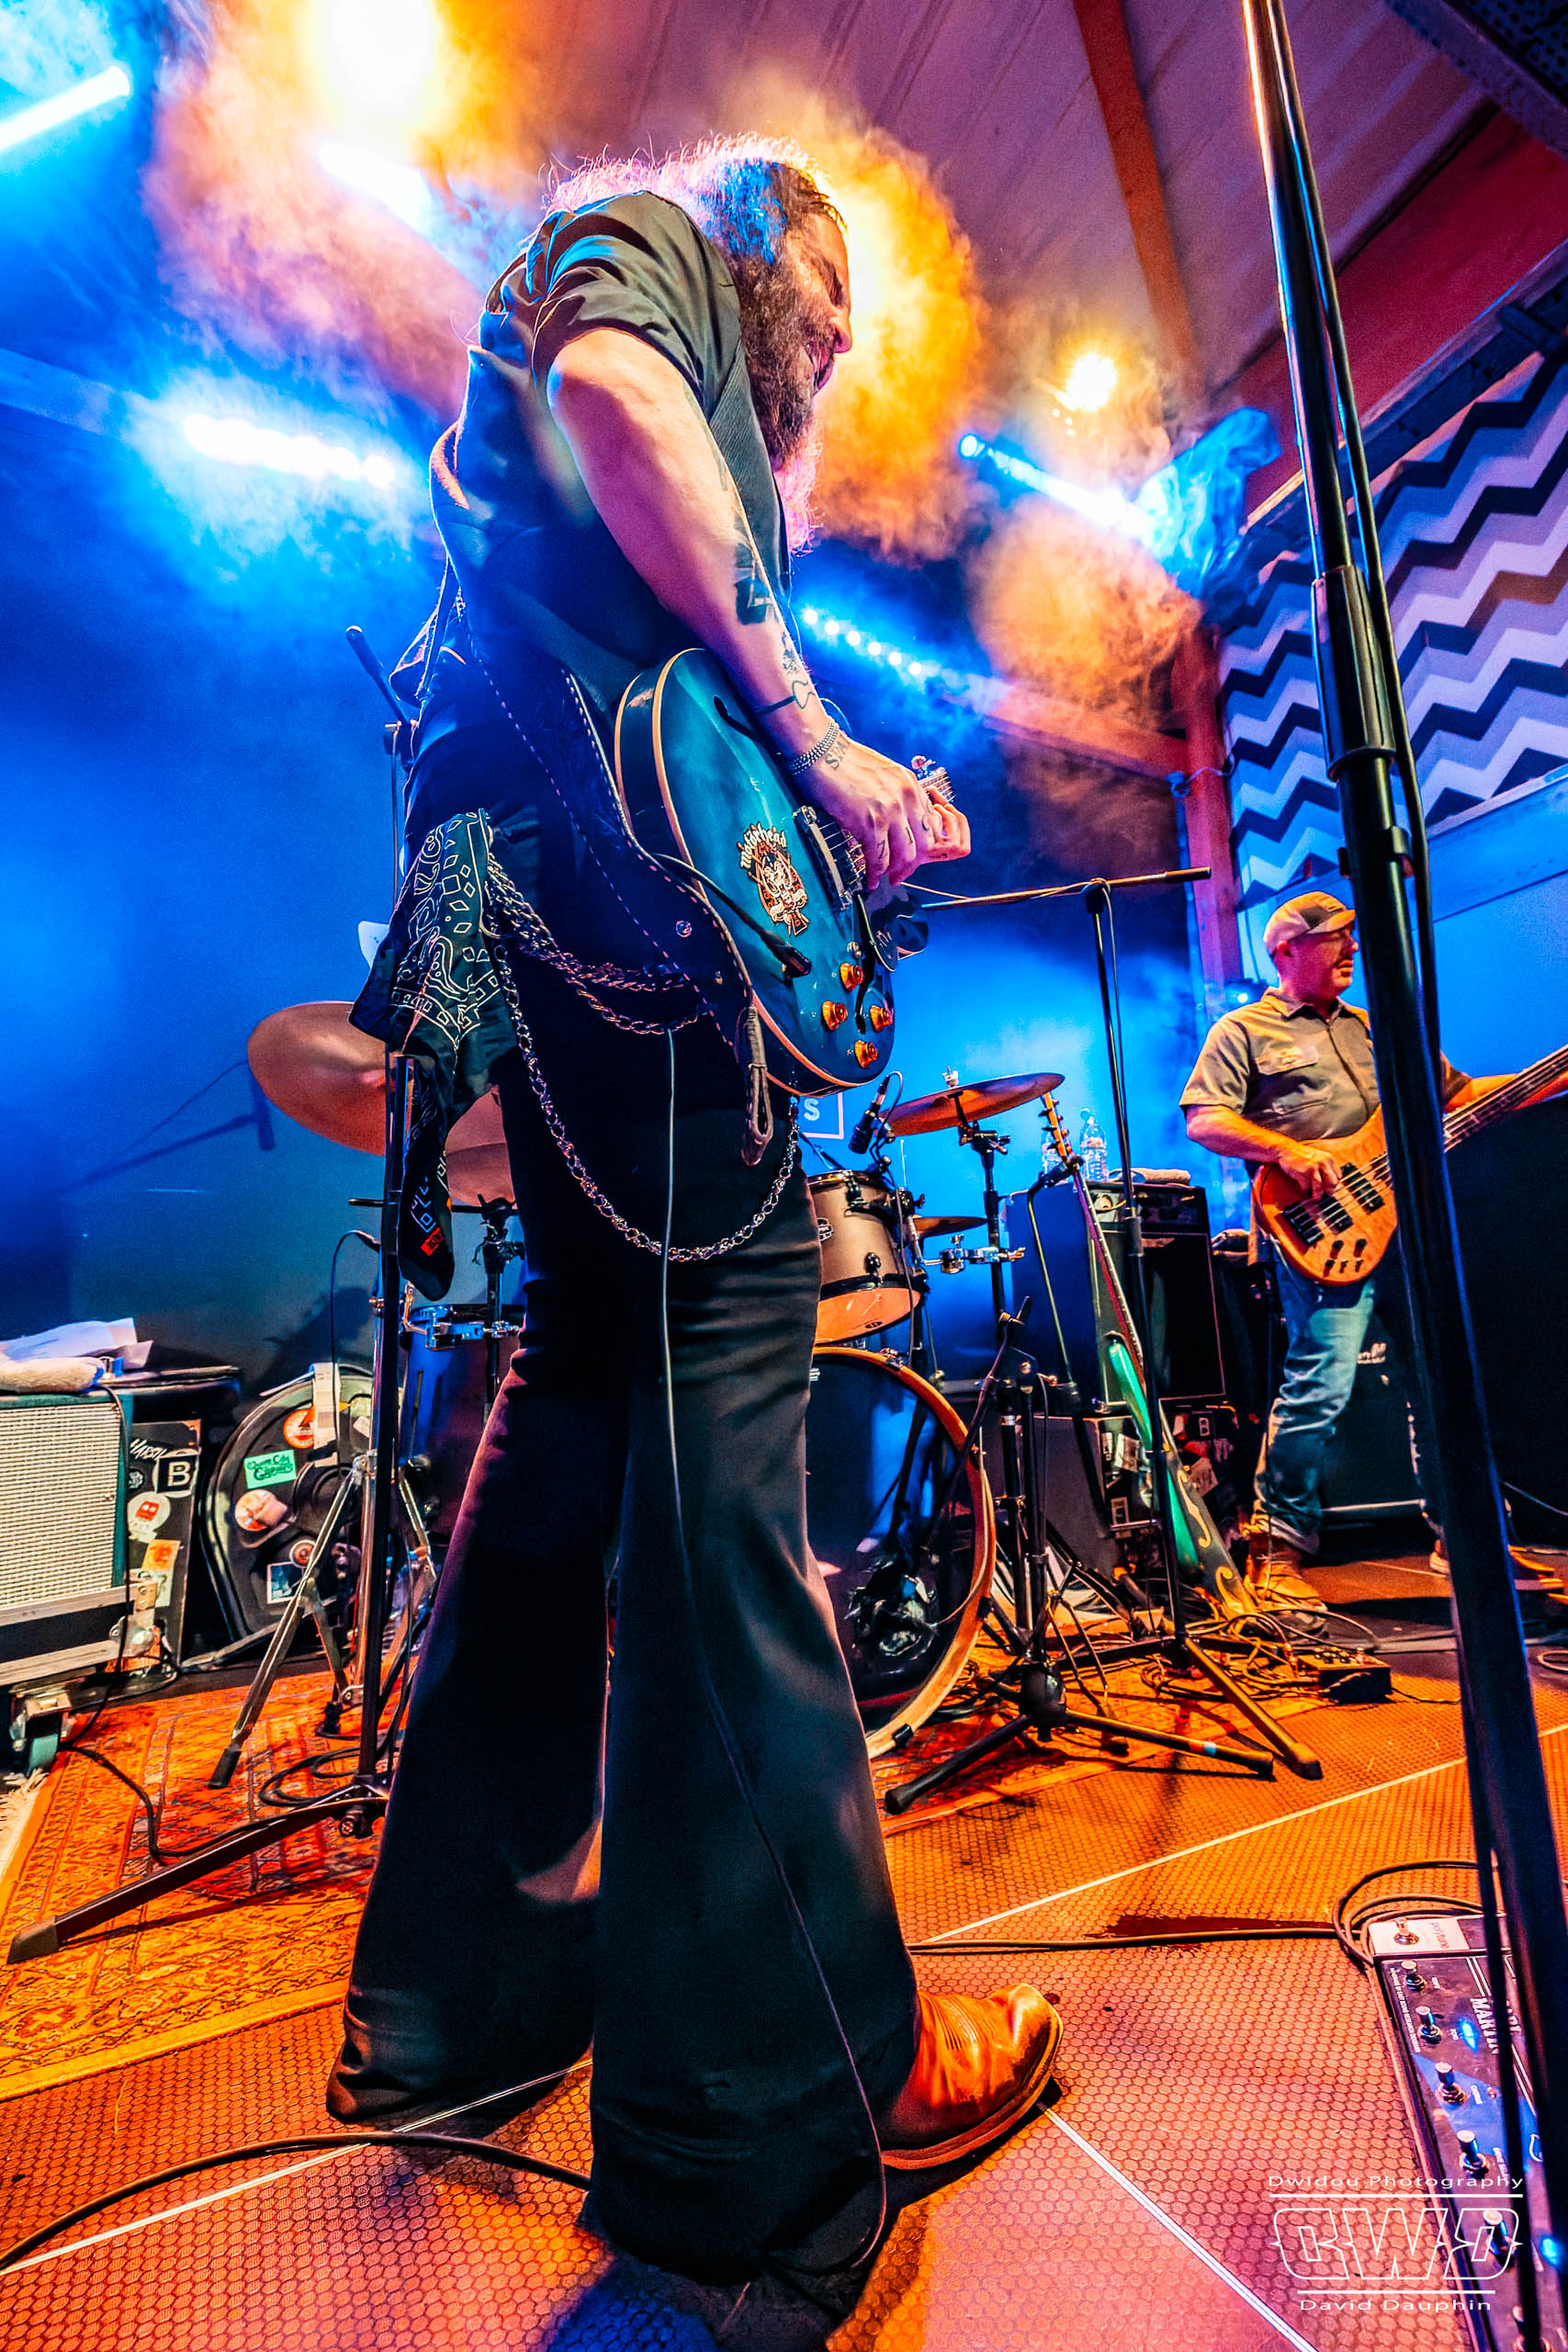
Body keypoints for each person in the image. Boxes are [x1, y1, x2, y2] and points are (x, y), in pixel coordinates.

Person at [327, 140, 1061, 2294]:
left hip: (537, 883)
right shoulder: (649, 247)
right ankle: (776, 2092)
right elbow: (620, 401)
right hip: (610, 908)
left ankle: (458, 1997)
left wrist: (838, 824)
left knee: (575, 1409)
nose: (822, 365)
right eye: (821, 320)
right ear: (763, 245)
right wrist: (823, 741)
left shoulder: (666, 443)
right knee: (721, 1419)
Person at [1180, 889, 1557, 1621]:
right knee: (1320, 1384)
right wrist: (1285, 1150)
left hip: (1403, 1228)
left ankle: (1464, 1538)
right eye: (1335, 938)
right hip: (1319, 1229)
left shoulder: (1372, 1028)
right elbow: (1204, 1118)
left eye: (1352, 936)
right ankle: (1277, 1549)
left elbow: (1455, 1096)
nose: (1351, 948)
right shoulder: (1244, 1030)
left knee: (1442, 1381)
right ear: (1286, 951)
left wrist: (1545, 1076)